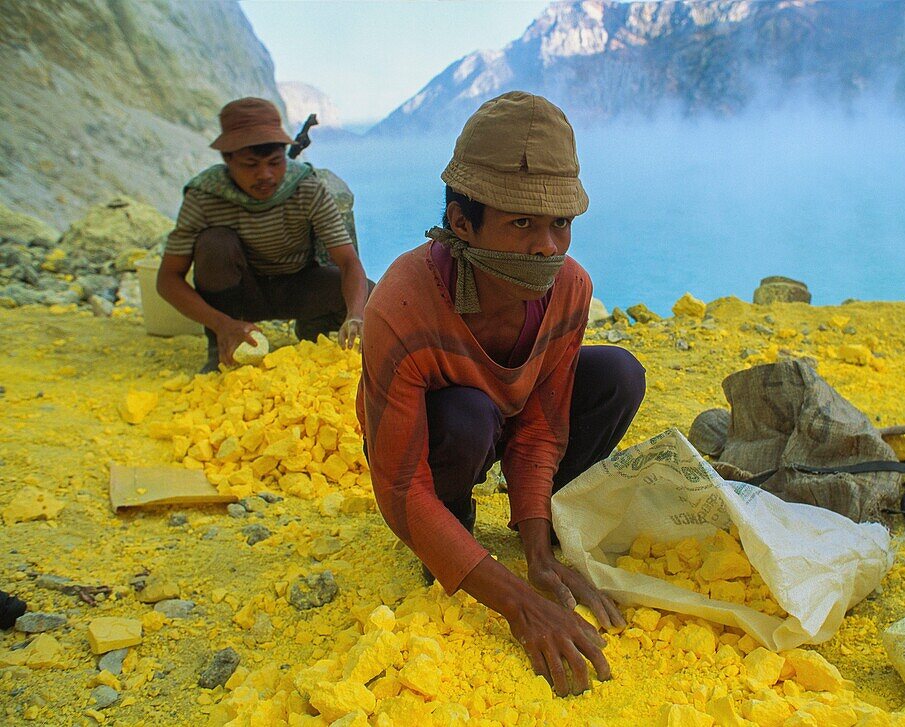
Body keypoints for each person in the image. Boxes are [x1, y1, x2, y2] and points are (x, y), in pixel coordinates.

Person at [357, 91, 646, 697]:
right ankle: (451, 531)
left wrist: (536, 554)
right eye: (522, 223)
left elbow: (544, 425)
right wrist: (516, 602)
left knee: (618, 374)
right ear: (462, 224)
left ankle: (543, 525)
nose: (548, 246)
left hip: (512, 424)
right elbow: (399, 485)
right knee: (466, 412)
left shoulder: (568, 288)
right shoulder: (402, 306)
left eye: (560, 224)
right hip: (442, 444)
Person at [157, 97, 372, 373]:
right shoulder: (205, 197)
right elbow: (167, 279)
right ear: (228, 159)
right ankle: (222, 344)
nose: (266, 175)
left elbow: (348, 263)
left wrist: (356, 316)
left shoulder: (306, 187)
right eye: (250, 165)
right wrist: (221, 323)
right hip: (239, 296)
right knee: (215, 244)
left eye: (274, 162)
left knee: (370, 295)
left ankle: (315, 324)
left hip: (298, 285)